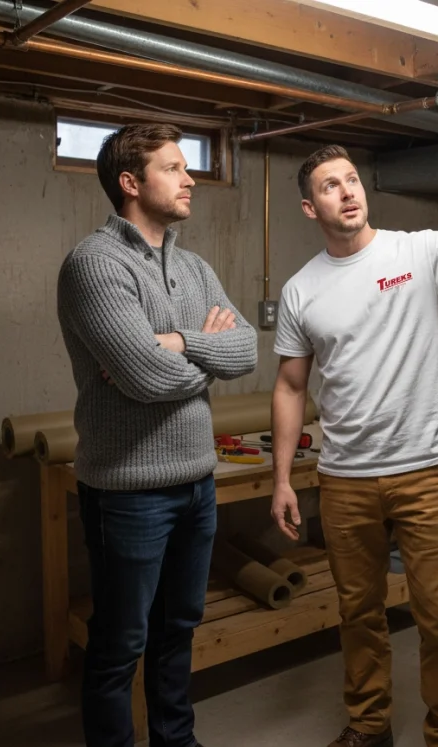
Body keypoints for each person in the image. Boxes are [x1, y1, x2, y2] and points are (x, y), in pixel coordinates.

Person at [269, 104, 438, 747]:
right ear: (310, 208)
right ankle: (370, 729)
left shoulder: (418, 252)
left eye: (352, 180)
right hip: (343, 481)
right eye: (329, 186)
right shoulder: (300, 291)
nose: (347, 192)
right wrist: (283, 478)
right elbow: (289, 385)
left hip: (424, 473)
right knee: (358, 615)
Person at [56, 122, 257, 747]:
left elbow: (248, 348)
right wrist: (203, 349)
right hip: (129, 494)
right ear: (130, 182)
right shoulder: (94, 265)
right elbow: (145, 376)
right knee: (120, 645)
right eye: (172, 168)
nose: (189, 177)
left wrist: (178, 343)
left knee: (179, 631)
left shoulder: (193, 266)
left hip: (197, 482)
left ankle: (177, 741)